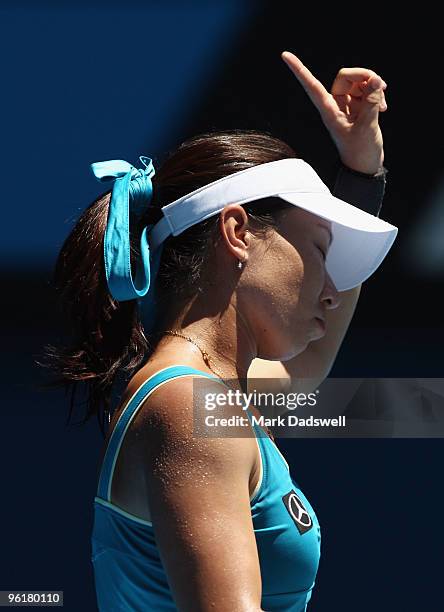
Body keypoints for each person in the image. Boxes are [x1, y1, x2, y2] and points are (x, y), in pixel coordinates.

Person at [40, 52, 397, 611]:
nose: (331, 290)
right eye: (320, 250)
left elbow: (313, 358)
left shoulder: (215, 396)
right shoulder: (189, 404)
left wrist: (361, 175)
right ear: (237, 233)